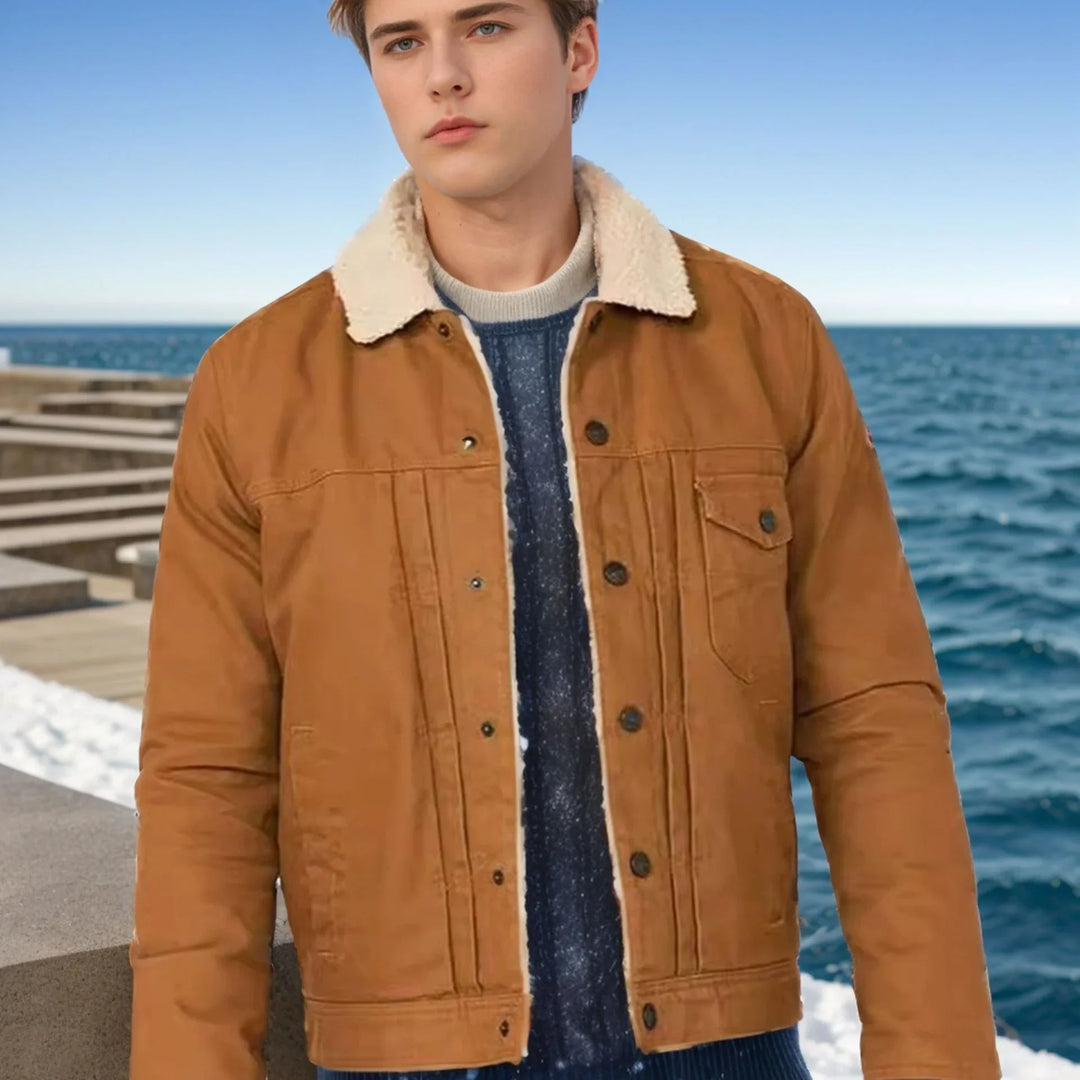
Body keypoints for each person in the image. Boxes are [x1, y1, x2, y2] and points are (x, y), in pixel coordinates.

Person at [128, 2, 1003, 1079]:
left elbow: (876, 726)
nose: (442, 75)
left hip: (723, 1052)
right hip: (401, 1059)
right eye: (401, 42)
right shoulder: (255, 386)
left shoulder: (766, 341)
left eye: (486, 28)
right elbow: (207, 778)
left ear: (579, 49)